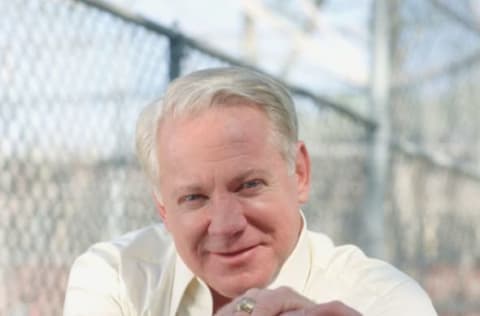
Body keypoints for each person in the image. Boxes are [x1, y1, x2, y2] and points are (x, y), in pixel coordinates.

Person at [63, 67, 437, 316]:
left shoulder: (385, 301)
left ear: (300, 173)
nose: (225, 226)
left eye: (249, 185)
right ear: (163, 207)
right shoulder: (116, 277)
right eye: (194, 197)